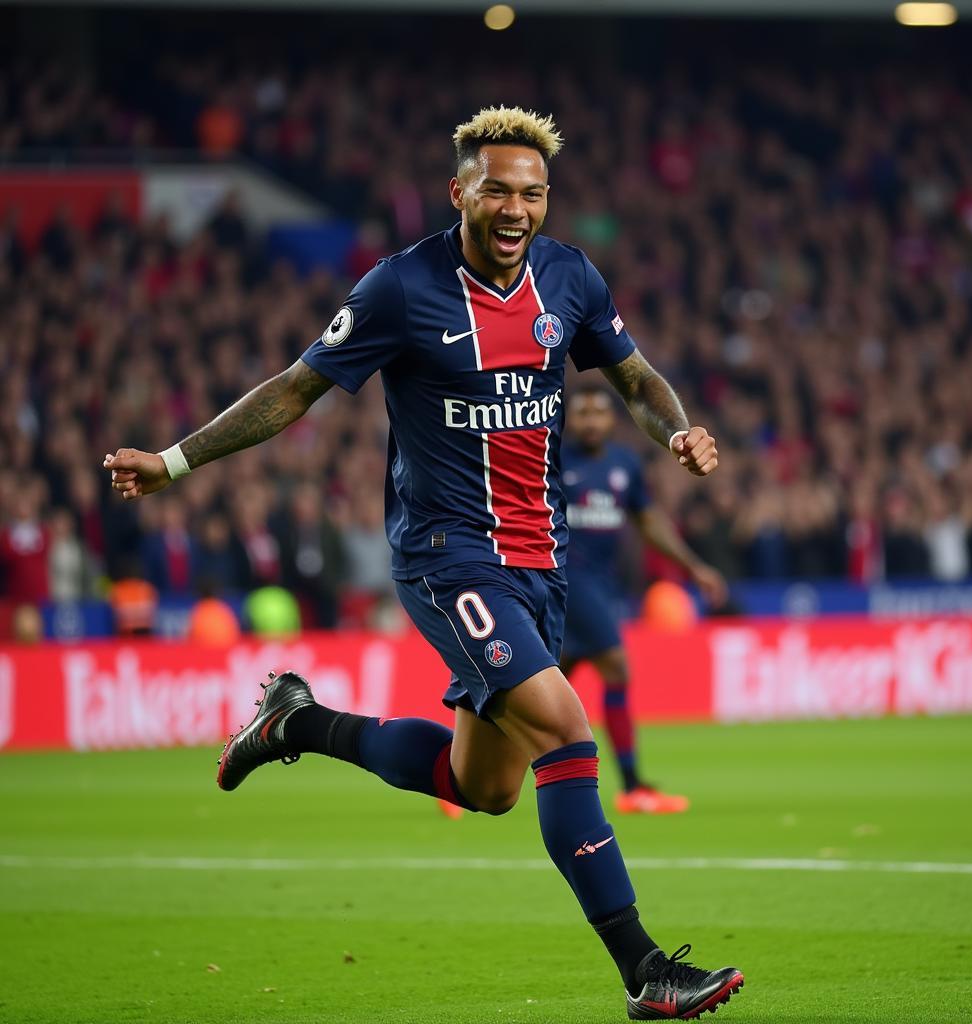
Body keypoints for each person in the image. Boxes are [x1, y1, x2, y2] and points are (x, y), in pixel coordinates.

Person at [103, 107, 743, 1021]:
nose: (515, 207)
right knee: (566, 731)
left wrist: (677, 427)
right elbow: (295, 389)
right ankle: (646, 971)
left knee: (481, 787)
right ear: (461, 193)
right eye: (497, 190)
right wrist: (173, 462)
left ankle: (298, 723)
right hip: (448, 557)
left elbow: (634, 377)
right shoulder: (401, 288)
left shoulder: (571, 279)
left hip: (540, 563)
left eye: (531, 192)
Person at [560, 385, 727, 814]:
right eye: (583, 413)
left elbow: (648, 521)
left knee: (540, 693)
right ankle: (633, 786)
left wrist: (693, 567)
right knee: (617, 667)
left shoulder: (624, 465)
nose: (591, 420)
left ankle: (461, 778)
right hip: (563, 584)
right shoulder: (553, 460)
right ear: (569, 419)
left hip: (602, 586)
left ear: (612, 419)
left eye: (599, 411)